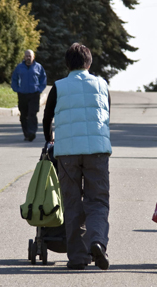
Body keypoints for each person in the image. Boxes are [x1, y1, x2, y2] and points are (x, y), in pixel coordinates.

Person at [43, 43, 112, 270]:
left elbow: (47, 116)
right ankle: (97, 241)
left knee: (72, 203)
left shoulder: (59, 86)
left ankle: (78, 258)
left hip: (68, 153)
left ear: (67, 64)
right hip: (97, 152)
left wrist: (50, 138)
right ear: (89, 63)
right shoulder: (102, 84)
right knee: (98, 201)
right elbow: (106, 113)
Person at [11, 49, 47, 142]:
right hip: (22, 94)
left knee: (32, 114)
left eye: (30, 56)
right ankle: (26, 134)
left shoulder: (38, 67)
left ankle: (32, 132)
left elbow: (43, 79)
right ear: (24, 57)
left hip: (34, 94)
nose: (28, 57)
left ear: (33, 57)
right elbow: (14, 79)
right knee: (23, 115)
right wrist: (17, 89)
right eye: (26, 56)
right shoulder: (19, 67)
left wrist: (39, 89)